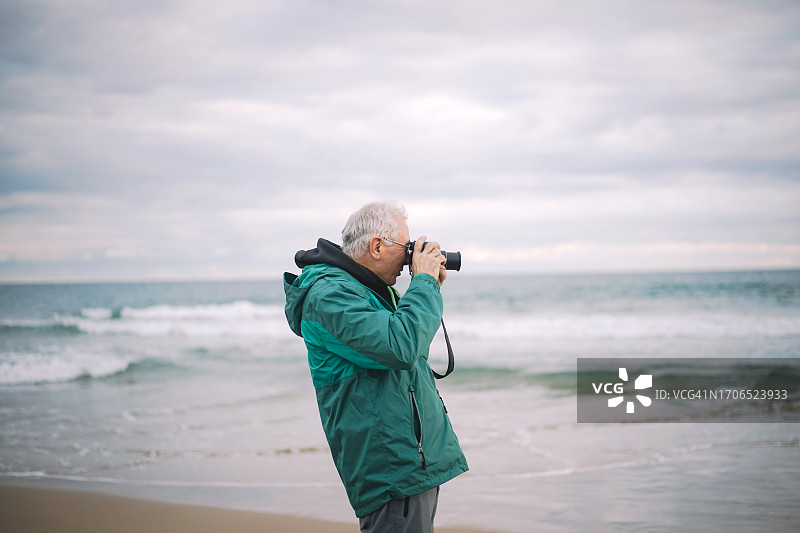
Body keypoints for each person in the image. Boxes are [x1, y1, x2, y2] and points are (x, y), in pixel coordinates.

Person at [283, 200, 468, 533]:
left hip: (409, 460)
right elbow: (401, 347)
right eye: (406, 247)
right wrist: (423, 283)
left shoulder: (365, 291)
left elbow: (406, 353)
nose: (410, 257)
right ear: (377, 246)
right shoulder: (331, 295)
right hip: (390, 466)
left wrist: (431, 285)